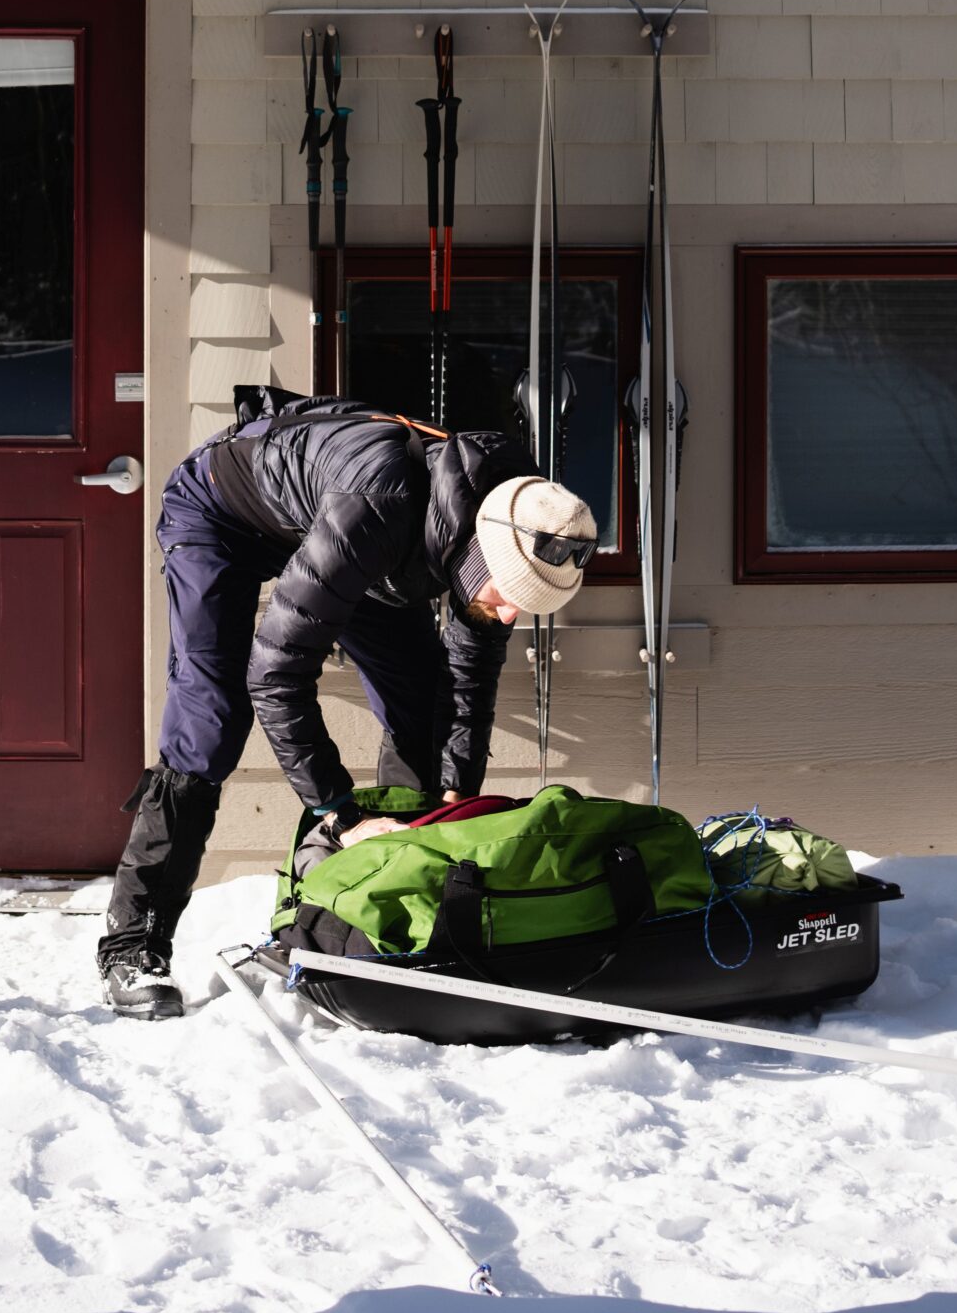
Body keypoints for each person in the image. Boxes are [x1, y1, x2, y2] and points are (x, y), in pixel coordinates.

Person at [97, 393, 596, 1018]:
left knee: (424, 707)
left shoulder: (512, 526)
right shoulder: (378, 510)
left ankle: (386, 907)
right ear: (479, 554)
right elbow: (276, 670)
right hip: (223, 517)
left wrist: (454, 795)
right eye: (508, 596)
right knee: (211, 719)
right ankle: (133, 944)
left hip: (341, 532)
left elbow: (468, 680)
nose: (512, 612)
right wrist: (339, 813)